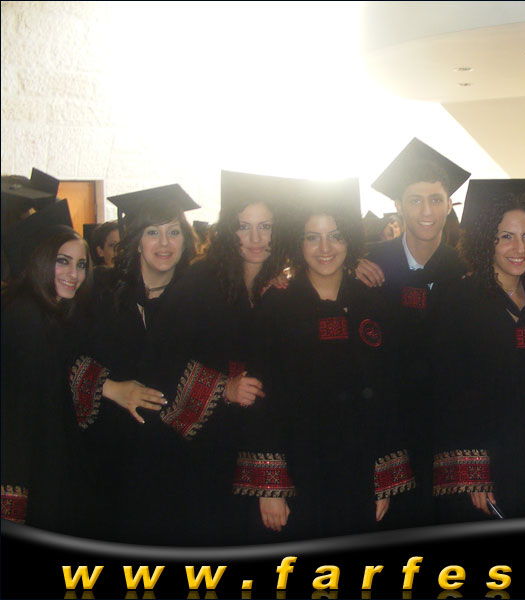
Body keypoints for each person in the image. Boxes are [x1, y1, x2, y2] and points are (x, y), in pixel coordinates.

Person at [234, 178, 414, 541]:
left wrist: (384, 480)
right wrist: (271, 487)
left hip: (360, 468)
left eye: (335, 236)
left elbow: (389, 395)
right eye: (312, 237)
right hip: (297, 471)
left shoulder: (373, 304)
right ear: (298, 243)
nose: (325, 248)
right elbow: (260, 398)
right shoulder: (277, 306)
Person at [148, 170, 290, 545]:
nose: (256, 239)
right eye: (244, 227)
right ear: (229, 230)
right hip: (208, 446)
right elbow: (160, 361)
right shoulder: (197, 283)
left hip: (272, 438)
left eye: (265, 226)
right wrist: (223, 387)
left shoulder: (289, 283)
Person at [68, 184, 200, 544]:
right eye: (152, 232)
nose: (164, 243)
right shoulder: (98, 291)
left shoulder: (199, 298)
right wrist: (111, 388)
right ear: (137, 240)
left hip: (173, 459)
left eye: (174, 232)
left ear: (185, 240)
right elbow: (62, 354)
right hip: (107, 455)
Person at [432, 180, 525, 522]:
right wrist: (473, 470)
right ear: (486, 240)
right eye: (506, 236)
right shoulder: (458, 301)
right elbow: (447, 392)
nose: (519, 248)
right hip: (489, 460)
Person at [355, 138, 471, 527]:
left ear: (449, 205)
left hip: (446, 430)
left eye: (436, 200)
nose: (426, 211)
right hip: (385, 429)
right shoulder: (369, 267)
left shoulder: (466, 271)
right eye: (415, 200)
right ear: (399, 205)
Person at [1, 200, 95, 534]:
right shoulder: (24, 319)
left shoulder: (50, 314)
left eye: (81, 264)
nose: (74, 274)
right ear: (39, 260)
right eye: (62, 261)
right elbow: (18, 416)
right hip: (29, 475)